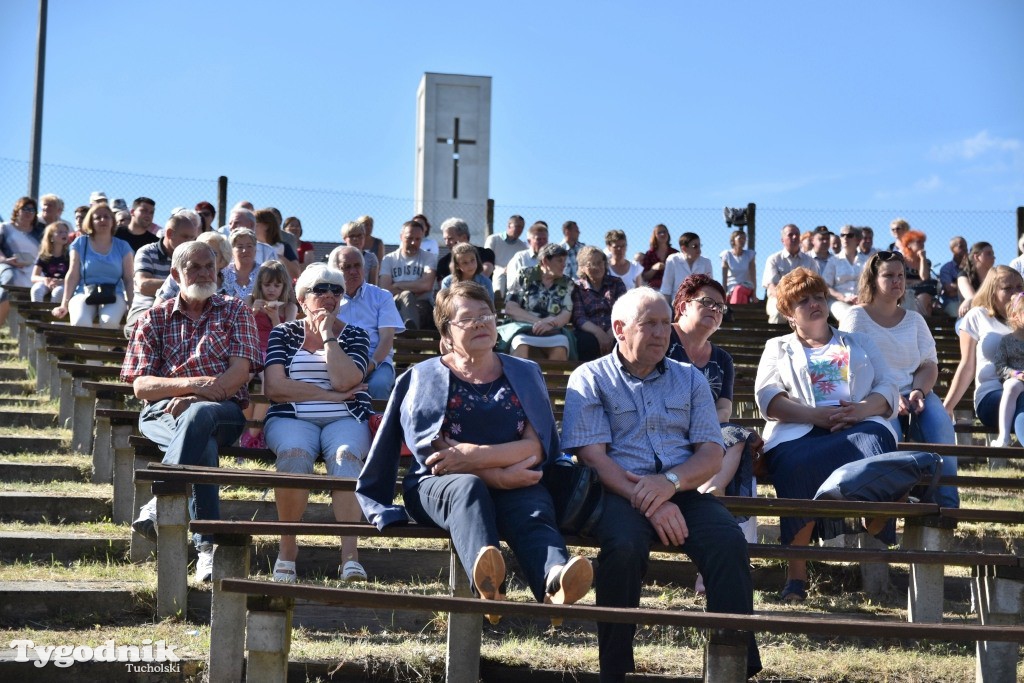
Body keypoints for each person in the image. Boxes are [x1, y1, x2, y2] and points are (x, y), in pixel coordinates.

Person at [357, 281, 593, 619]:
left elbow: (536, 446)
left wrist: (474, 456)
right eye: (467, 319)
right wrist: (497, 475)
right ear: (447, 334)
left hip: (515, 478)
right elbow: (436, 455)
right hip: (438, 485)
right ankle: (489, 582)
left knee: (533, 504)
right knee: (469, 488)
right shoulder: (424, 376)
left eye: (486, 315)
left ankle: (554, 580)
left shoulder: (525, 372)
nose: (480, 323)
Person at [560, 286, 761, 682]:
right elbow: (593, 457)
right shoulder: (590, 377)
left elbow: (711, 452)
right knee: (623, 548)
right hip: (618, 492)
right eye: (648, 323)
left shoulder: (690, 380)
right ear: (619, 328)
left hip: (681, 488)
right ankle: (615, 671)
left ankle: (734, 666)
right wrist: (652, 498)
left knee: (727, 541)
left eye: (664, 323)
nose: (660, 332)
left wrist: (669, 485)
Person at [755, 268, 899, 601]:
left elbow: (888, 386)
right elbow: (767, 396)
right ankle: (796, 577)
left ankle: (871, 516)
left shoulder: (859, 342)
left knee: (879, 442)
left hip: (857, 424)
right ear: (790, 314)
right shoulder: (777, 347)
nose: (815, 303)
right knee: (796, 467)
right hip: (799, 433)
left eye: (819, 296)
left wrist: (861, 410)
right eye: (803, 300)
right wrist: (813, 416)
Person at [123, 241, 262, 581]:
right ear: (175, 274)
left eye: (208, 266)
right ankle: (206, 552)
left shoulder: (234, 310)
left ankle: (162, 496)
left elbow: (240, 372)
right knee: (204, 448)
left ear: (218, 271)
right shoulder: (153, 317)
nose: (202, 273)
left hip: (223, 411)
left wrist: (200, 398)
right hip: (161, 414)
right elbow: (140, 386)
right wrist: (193, 385)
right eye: (193, 267)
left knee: (200, 417)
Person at [263, 265, 373, 582]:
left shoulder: (355, 334)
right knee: (294, 457)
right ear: (301, 299)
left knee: (346, 458)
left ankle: (350, 556)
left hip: (346, 417)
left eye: (336, 290)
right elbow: (275, 388)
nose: (328, 295)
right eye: (319, 289)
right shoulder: (283, 333)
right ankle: (287, 551)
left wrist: (328, 337)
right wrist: (331, 395)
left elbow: (347, 379)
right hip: (292, 417)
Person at [841, 251, 958, 507]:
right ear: (872, 280)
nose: (897, 281)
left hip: (916, 393)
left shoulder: (915, 320)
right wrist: (888, 397)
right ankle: (888, 512)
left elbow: (929, 364)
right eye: (889, 275)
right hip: (875, 399)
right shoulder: (855, 318)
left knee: (941, 428)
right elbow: (853, 369)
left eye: (901, 275)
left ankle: (949, 510)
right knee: (887, 441)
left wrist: (918, 391)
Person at [667, 275, 758, 521]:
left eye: (720, 306)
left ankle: (710, 492)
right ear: (684, 306)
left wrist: (699, 426)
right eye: (707, 302)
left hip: (707, 427)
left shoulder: (722, 359)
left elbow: (724, 408)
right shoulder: (662, 339)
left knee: (737, 436)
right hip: (662, 423)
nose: (715, 310)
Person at [944, 266, 1024, 443]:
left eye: (1019, 286)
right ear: (992, 292)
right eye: (1007, 288)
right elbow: (966, 366)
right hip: (991, 396)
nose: (1015, 292)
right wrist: (947, 408)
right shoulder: (977, 316)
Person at [240, 260, 299, 450]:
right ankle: (249, 429)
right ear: (260, 285)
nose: (272, 290)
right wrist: (252, 313)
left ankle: (251, 436)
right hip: (251, 349)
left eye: (277, 285)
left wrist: (274, 317)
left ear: (284, 286)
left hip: (274, 351)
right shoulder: (250, 300)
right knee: (241, 379)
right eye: (267, 285)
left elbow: (287, 339)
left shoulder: (289, 307)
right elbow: (239, 330)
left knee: (268, 380)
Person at [334, 246, 405, 401]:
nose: (353, 271)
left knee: (379, 384)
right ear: (336, 270)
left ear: (364, 266)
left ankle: (379, 425)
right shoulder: (331, 299)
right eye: (347, 267)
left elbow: (387, 338)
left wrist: (371, 364)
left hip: (377, 361)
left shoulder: (382, 296)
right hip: (342, 362)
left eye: (357, 265)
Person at [52, 203, 133, 329]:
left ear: (113, 221)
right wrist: (64, 304)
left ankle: (105, 349)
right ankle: (88, 349)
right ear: (90, 221)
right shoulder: (80, 243)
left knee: (109, 322)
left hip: (115, 294)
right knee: (80, 322)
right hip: (83, 292)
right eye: (98, 217)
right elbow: (73, 274)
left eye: (107, 217)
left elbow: (128, 279)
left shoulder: (123, 246)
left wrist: (132, 305)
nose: (102, 220)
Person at [124, 214, 198, 334]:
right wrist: (181, 283)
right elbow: (144, 286)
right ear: (169, 234)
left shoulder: (191, 257)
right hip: (144, 308)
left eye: (192, 238)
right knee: (149, 328)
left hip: (181, 310)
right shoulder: (147, 252)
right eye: (185, 237)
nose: (189, 243)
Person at [503, 242, 574, 360]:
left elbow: (566, 313)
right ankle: (520, 379)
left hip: (552, 330)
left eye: (564, 260)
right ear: (545, 261)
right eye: (559, 261)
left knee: (561, 345)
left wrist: (551, 324)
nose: (564, 265)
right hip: (523, 328)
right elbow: (511, 308)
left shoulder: (567, 283)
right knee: (520, 343)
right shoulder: (525, 276)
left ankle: (554, 379)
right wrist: (539, 322)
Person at [379, 220, 437, 330]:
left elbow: (426, 285)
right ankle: (412, 337)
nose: (413, 242)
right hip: (395, 304)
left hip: (422, 304)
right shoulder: (389, 259)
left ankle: (409, 338)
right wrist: (415, 287)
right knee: (406, 296)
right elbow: (385, 290)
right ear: (401, 237)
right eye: (409, 238)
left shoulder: (429, 258)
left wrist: (397, 285)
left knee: (408, 309)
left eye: (417, 239)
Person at [571, 246, 625, 361]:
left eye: (600, 262)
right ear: (582, 268)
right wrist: (599, 333)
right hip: (590, 332)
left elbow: (624, 311)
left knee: (622, 340)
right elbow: (579, 317)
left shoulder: (616, 283)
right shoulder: (577, 287)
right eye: (591, 264)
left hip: (614, 328)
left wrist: (611, 333)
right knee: (587, 342)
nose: (597, 267)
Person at [0, 196, 44, 327]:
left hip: (34, 270)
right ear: (17, 210)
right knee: (9, 281)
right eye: (25, 208)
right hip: (10, 267)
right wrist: (6, 260)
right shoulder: (5, 228)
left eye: (32, 209)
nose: (28, 212)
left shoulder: (40, 231)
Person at [762, 224, 815, 324]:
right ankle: (774, 339)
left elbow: (814, 286)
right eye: (790, 235)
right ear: (782, 240)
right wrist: (787, 299)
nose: (794, 237)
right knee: (778, 313)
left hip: (803, 299)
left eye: (797, 234)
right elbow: (772, 286)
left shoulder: (810, 261)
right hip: (778, 298)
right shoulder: (773, 259)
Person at [990, 293, 1024, 447]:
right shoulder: (1007, 341)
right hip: (1017, 378)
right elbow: (1000, 365)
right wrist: (1015, 374)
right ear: (1016, 316)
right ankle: (1004, 436)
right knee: (1011, 386)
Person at [821, 225, 869, 323]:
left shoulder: (867, 261)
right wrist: (843, 298)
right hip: (838, 301)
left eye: (849, 235)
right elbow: (826, 286)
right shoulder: (833, 261)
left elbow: (871, 284)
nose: (845, 238)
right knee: (849, 315)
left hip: (863, 300)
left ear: (858, 240)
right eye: (842, 235)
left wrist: (862, 298)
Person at [659, 232, 712, 302]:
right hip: (677, 304)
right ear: (684, 248)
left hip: (699, 304)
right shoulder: (673, 260)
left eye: (699, 246)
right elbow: (666, 289)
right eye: (695, 246)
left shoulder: (706, 262)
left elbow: (709, 288)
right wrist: (667, 311)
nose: (699, 250)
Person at [484, 214, 527, 295]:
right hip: (495, 272)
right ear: (509, 225)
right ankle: (497, 298)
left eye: (522, 227)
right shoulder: (493, 239)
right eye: (517, 226)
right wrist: (502, 269)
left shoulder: (522, 246)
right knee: (500, 274)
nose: (520, 230)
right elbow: (487, 260)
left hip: (514, 274)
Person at [30, 221, 70, 303]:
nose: (64, 234)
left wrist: (61, 281)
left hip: (63, 284)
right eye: (60, 232)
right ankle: (37, 314)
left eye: (66, 232)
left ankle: (52, 314)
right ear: (51, 237)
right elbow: (34, 277)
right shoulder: (44, 256)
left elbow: (75, 276)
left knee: (58, 292)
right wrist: (45, 280)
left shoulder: (69, 256)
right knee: (36, 290)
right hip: (47, 283)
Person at [255, 209, 300, 280]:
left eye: (255, 224)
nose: (251, 227)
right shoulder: (249, 247)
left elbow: (296, 273)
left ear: (267, 225)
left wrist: (277, 256)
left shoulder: (282, 247)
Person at [900, 229, 936, 316]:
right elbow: (900, 279)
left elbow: (924, 278)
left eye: (923, 242)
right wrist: (917, 282)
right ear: (908, 245)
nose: (922, 245)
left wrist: (922, 258)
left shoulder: (926, 262)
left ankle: (916, 322)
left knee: (924, 297)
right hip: (903, 291)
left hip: (921, 293)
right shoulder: (900, 261)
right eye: (918, 242)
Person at [504, 222, 549, 289]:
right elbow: (512, 286)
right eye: (538, 239)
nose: (542, 242)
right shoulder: (520, 258)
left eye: (545, 239)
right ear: (529, 241)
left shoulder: (553, 258)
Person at [957, 241, 996, 318]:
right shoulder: (963, 275)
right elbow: (972, 298)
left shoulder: (995, 277)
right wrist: (969, 300)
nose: (994, 257)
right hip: (970, 317)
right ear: (976, 257)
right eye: (989, 253)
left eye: (993, 254)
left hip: (992, 317)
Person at [222, 228, 261, 300]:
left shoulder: (264, 272)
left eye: (249, 246)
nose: (245, 250)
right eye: (240, 247)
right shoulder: (223, 273)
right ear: (232, 251)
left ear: (255, 249)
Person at [720, 230, 757, 304]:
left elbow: (753, 276)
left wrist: (754, 294)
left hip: (746, 286)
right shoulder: (727, 255)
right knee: (742, 298)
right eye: (740, 238)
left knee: (738, 290)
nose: (743, 241)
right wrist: (723, 294)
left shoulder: (749, 255)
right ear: (733, 240)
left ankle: (733, 313)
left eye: (744, 239)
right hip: (731, 287)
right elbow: (724, 277)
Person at [338, 221, 379, 285]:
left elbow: (373, 284)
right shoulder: (338, 256)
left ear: (364, 237)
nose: (356, 239)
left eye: (359, 235)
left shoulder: (371, 258)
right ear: (344, 238)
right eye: (352, 236)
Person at [639, 224, 677, 290]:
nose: (662, 234)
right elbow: (644, 277)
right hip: (655, 289)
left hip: (672, 288)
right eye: (659, 232)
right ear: (655, 236)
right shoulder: (649, 254)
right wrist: (654, 268)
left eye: (664, 232)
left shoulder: (675, 253)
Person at [939, 236, 968, 317]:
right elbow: (949, 290)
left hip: (970, 302)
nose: (965, 249)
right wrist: (967, 287)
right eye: (961, 246)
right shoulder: (946, 268)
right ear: (952, 249)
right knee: (961, 313)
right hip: (952, 302)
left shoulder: (972, 268)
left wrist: (956, 288)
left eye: (966, 246)